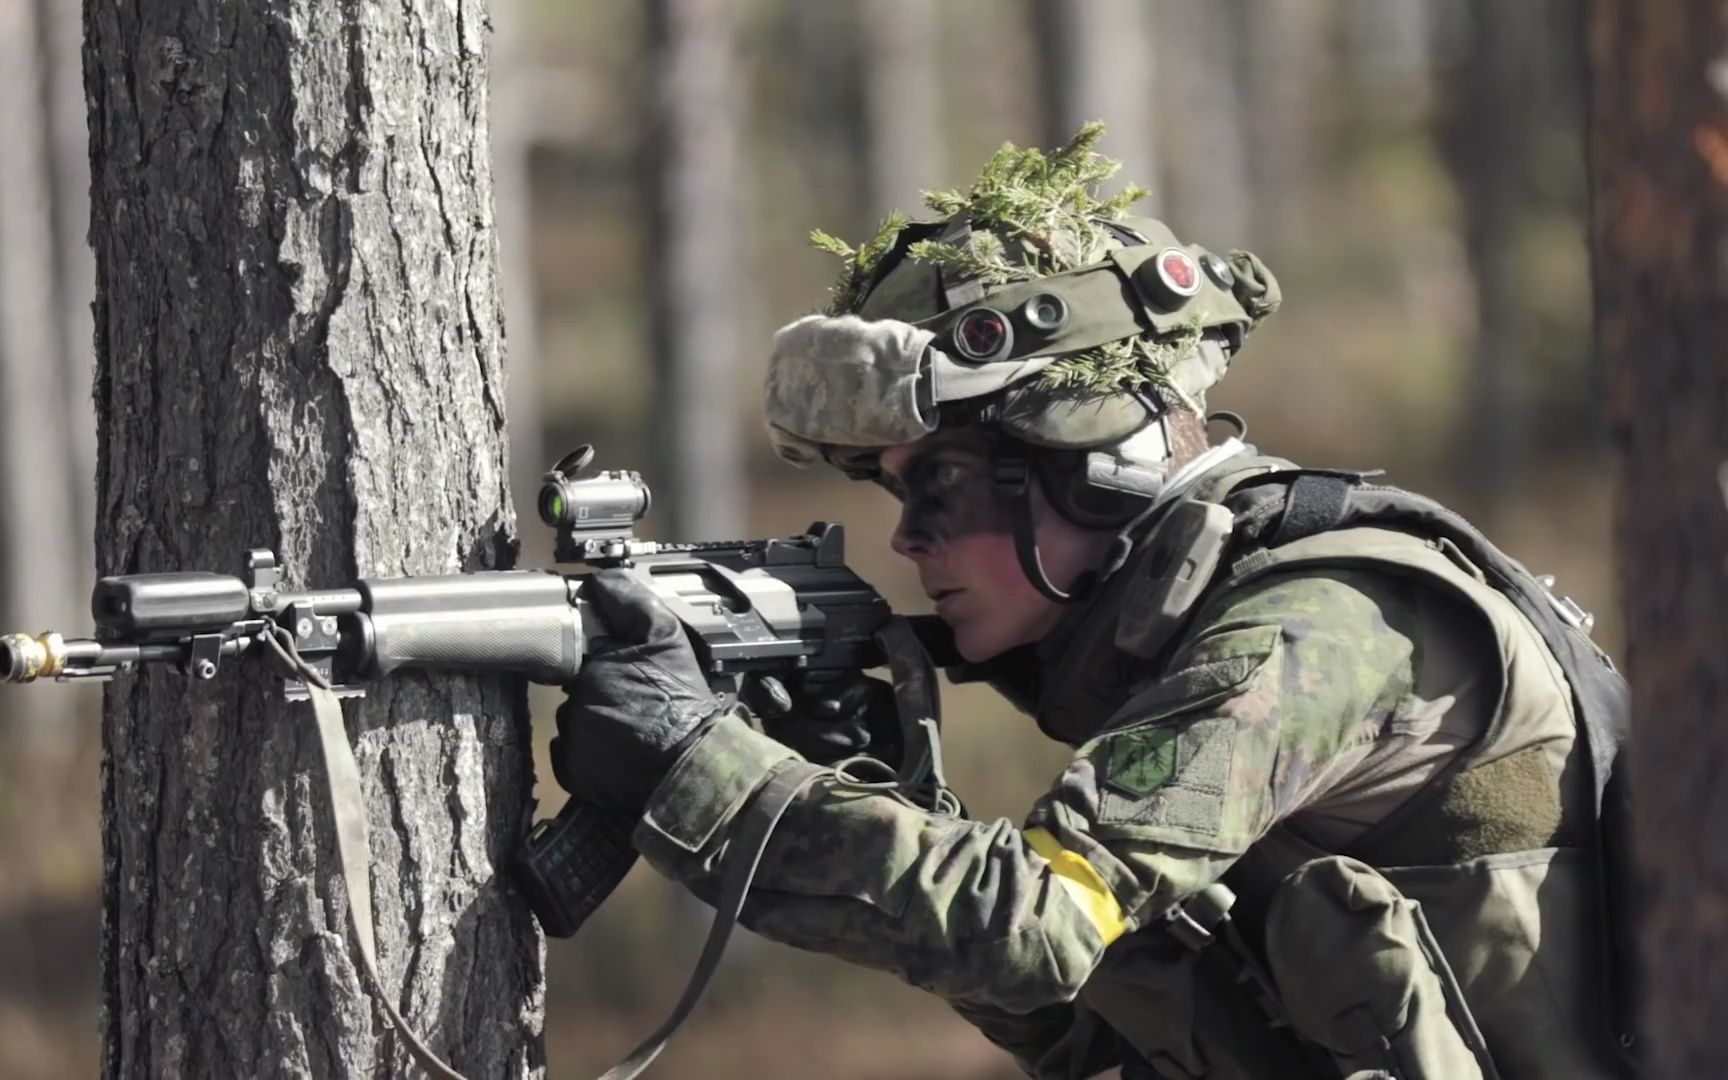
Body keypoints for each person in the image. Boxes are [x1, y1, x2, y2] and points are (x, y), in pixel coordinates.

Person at [552, 127, 1634, 1079]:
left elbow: (1037, 927)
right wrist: (877, 806)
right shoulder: (1203, 624)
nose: (906, 537)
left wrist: (704, 772)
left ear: (1089, 462)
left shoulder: (1314, 632)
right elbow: (1096, 1035)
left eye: (942, 482)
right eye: (894, 490)